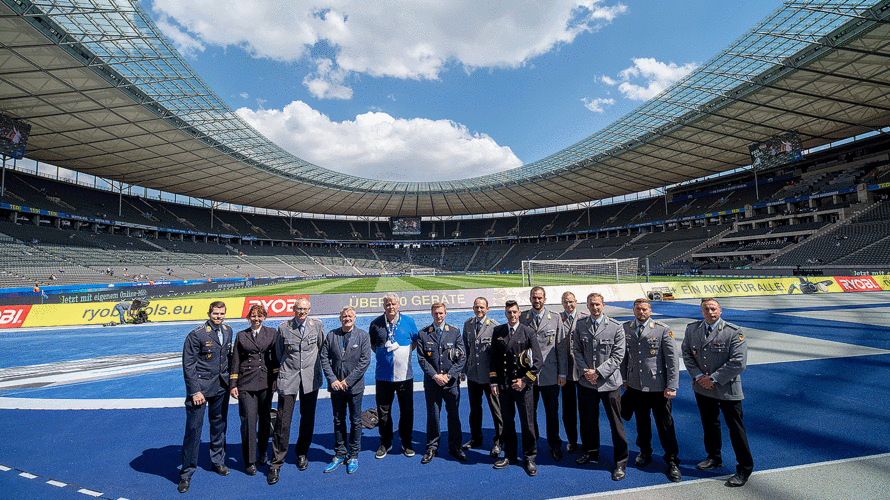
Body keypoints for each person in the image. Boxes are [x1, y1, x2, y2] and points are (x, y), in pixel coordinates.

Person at [681, 297, 753, 487]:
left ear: (720, 311)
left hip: (726, 388)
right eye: (706, 309)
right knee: (709, 424)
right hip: (702, 387)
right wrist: (698, 377)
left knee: (735, 428)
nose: (710, 312)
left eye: (713, 309)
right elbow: (687, 354)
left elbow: (738, 362)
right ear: (701, 311)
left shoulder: (733, 332)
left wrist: (712, 378)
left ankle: (744, 468)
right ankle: (714, 457)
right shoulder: (692, 330)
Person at [621, 298, 681, 483]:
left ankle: (671, 460)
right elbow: (623, 355)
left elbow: (672, 359)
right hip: (636, 386)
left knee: (665, 425)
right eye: (638, 309)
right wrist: (624, 378)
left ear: (650, 310)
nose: (641, 312)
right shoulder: (626, 328)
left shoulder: (662, 329)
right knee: (642, 423)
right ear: (633, 310)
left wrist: (672, 385)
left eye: (644, 309)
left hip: (658, 386)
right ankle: (645, 451)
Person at [178, 301, 233, 493]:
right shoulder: (196, 334)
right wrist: (195, 391)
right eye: (215, 313)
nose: (218, 316)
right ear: (209, 313)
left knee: (219, 425)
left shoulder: (228, 330)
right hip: (200, 390)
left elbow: (227, 358)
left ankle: (217, 461)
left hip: (221, 387)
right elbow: (189, 365)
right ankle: (186, 472)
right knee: (194, 430)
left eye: (221, 313)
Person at [572, 292, 628, 481]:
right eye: (591, 305)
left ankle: (620, 461)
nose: (594, 308)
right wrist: (586, 371)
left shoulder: (616, 327)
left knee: (616, 423)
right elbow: (576, 350)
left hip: (609, 382)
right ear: (587, 306)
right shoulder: (580, 325)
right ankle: (591, 451)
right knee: (588, 421)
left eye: (597, 304)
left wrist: (598, 372)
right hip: (586, 382)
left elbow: (618, 356)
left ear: (603, 305)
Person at [268, 298, 324, 485]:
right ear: (293, 309)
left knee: (307, 417)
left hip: (310, 379)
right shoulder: (284, 328)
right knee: (283, 420)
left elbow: (321, 348)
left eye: (305, 309)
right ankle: (277, 461)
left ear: (309, 310)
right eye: (299, 309)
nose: (302, 312)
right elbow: (278, 353)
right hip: (289, 377)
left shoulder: (316, 326)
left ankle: (302, 453)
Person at [490, 300, 543, 477]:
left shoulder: (528, 332)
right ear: (505, 314)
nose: (512, 315)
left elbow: (537, 361)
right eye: (509, 312)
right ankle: (510, 455)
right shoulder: (498, 331)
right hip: (505, 386)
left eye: (514, 312)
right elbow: (494, 359)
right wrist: (495, 382)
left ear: (519, 313)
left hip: (523, 387)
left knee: (527, 424)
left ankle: (530, 457)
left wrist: (525, 381)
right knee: (508, 423)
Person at [320, 306, 372, 474]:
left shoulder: (363, 336)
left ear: (355, 318)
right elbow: (324, 358)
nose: (347, 318)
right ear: (340, 318)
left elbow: (364, 362)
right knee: (338, 420)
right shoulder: (332, 335)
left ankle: (354, 454)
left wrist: (347, 381)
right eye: (344, 316)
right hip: (336, 387)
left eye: (350, 316)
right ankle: (340, 454)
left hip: (354, 387)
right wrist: (333, 380)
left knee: (356, 420)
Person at [368, 292, 419, 459]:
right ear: (384, 306)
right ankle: (385, 441)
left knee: (407, 411)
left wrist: (401, 357)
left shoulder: (409, 322)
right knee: (383, 411)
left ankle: (406, 441)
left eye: (393, 304)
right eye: (387, 304)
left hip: (405, 375)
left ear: (398, 305)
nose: (390, 307)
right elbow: (373, 345)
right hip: (383, 376)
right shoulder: (375, 324)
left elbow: (415, 342)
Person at [229, 304, 278, 476]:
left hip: (265, 382)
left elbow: (276, 358)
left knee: (265, 420)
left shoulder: (272, 333)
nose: (256, 319)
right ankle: (249, 461)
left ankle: (263, 451)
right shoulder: (241, 335)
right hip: (246, 384)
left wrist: (276, 379)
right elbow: (235, 360)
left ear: (264, 317)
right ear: (248, 318)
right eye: (253, 316)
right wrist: (233, 384)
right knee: (248, 422)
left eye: (260, 316)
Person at [520, 286, 567, 462]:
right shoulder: (523, 317)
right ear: (530, 299)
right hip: (529, 376)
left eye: (540, 298)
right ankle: (533, 444)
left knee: (552, 413)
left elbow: (561, 348)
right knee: (529, 413)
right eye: (534, 298)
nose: (537, 301)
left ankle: (555, 445)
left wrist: (562, 373)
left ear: (544, 299)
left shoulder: (555, 318)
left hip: (550, 375)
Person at [417, 302, 466, 464]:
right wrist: (435, 376)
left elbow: (462, 358)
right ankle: (432, 447)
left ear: (446, 314)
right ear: (431, 314)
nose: (439, 316)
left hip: (451, 383)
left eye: (441, 313)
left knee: (454, 415)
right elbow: (422, 358)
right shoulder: (423, 334)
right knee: (433, 416)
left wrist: (450, 375)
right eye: (436, 313)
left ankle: (455, 447)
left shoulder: (454, 332)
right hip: (432, 383)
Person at [461, 297, 503, 458]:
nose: (479, 310)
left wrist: (497, 378)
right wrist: (463, 370)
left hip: (490, 377)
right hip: (473, 375)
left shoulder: (495, 327)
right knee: (475, 410)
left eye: (482, 307)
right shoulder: (468, 325)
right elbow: (465, 348)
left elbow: (499, 356)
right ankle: (475, 438)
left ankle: (499, 441)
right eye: (476, 307)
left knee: (496, 410)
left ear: (487, 309)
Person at [559, 291, 586, 454]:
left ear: (576, 301)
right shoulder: (557, 319)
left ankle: (586, 441)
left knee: (585, 409)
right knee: (568, 410)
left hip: (582, 371)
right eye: (565, 302)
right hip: (566, 372)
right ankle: (572, 440)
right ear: (562, 303)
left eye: (571, 302)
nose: (569, 305)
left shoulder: (584, 318)